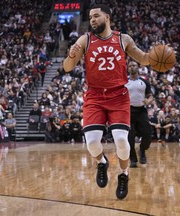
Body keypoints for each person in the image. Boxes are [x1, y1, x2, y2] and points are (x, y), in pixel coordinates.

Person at [63, 4, 151, 199]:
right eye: (90, 17)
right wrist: (70, 55)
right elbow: (68, 67)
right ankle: (101, 162)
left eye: (96, 16)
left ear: (107, 17)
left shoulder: (123, 39)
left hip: (118, 96)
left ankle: (123, 174)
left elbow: (143, 59)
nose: (92, 20)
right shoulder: (85, 39)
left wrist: (157, 56)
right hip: (95, 96)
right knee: (92, 143)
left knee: (121, 140)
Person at [125, 61, 154, 168]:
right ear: (128, 69)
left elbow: (150, 96)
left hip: (141, 111)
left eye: (134, 65)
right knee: (130, 137)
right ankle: (133, 159)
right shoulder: (124, 81)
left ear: (138, 68)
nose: (132, 67)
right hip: (128, 111)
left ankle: (142, 150)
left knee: (147, 135)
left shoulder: (144, 82)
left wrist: (148, 101)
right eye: (130, 66)